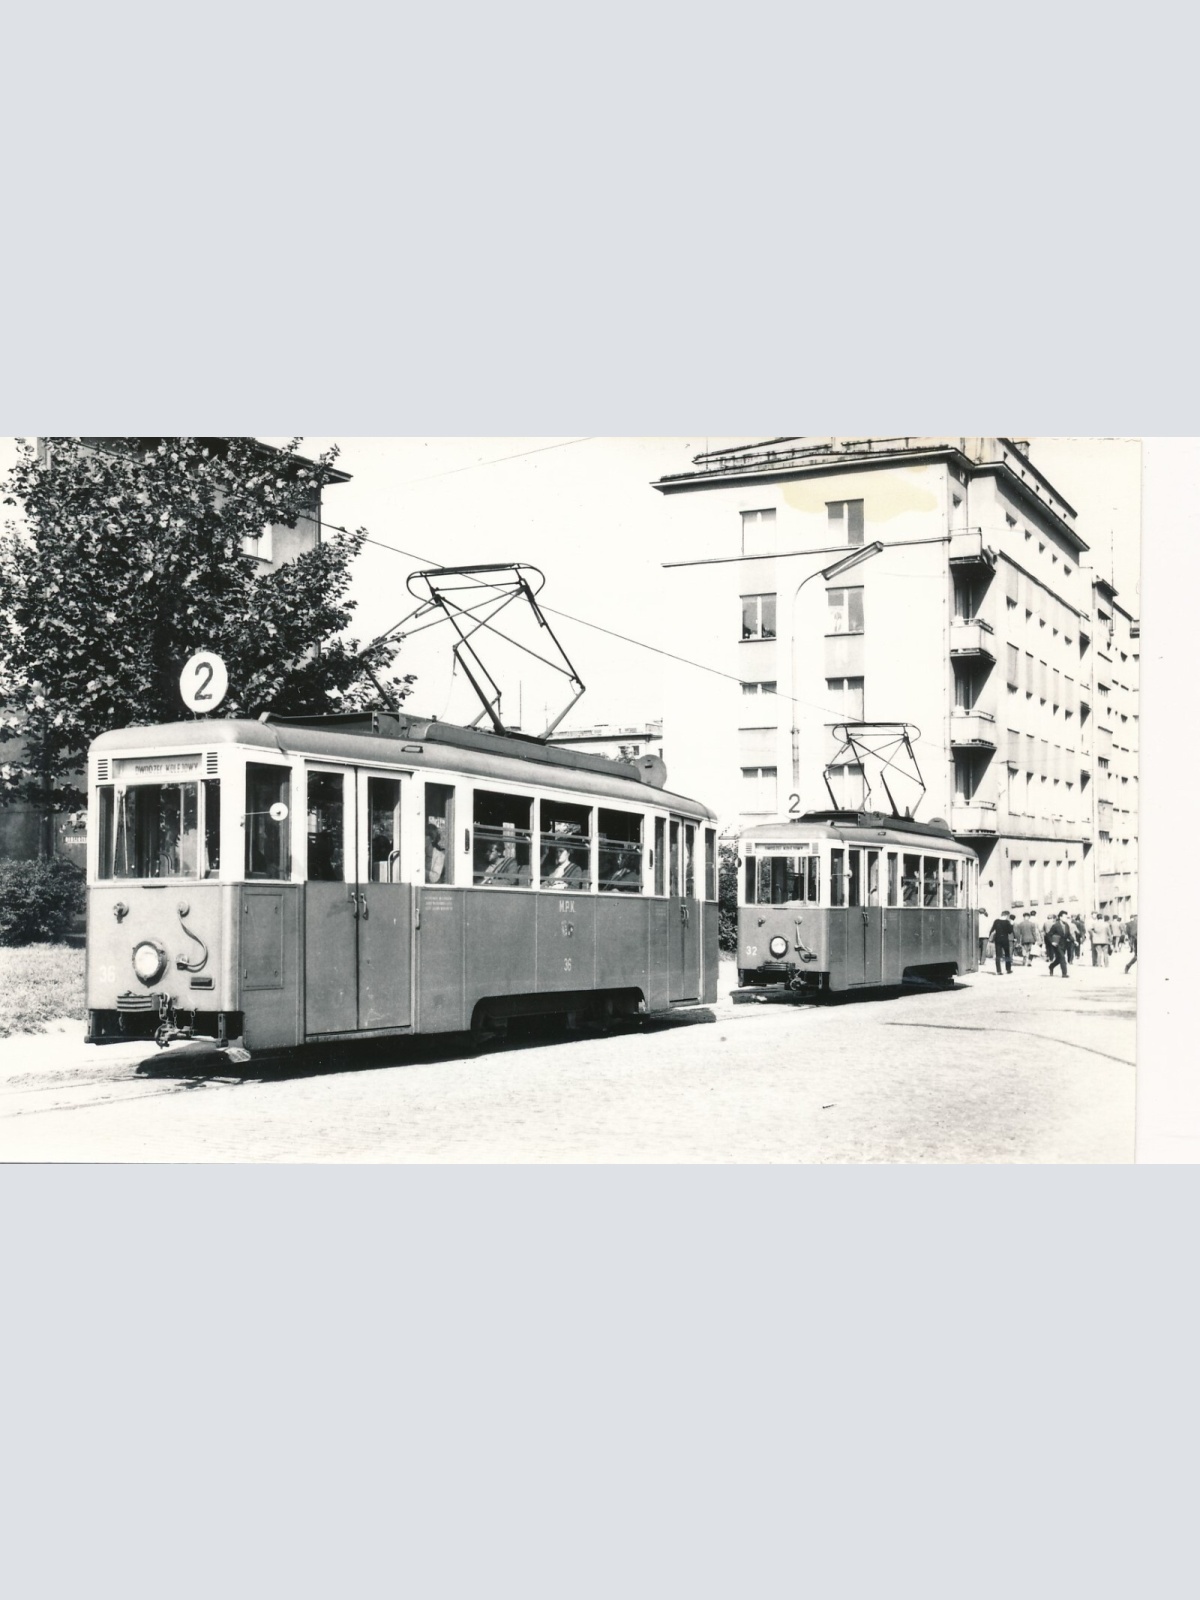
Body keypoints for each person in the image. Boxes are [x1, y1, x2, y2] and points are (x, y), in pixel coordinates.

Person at [1047, 912, 1071, 978]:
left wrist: (1074, 941)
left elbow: (1068, 934)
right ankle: (1064, 974)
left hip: (1064, 945)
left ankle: (1051, 966)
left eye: (1066, 917)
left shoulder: (1066, 925)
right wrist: (1052, 942)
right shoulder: (1055, 925)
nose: (1066, 918)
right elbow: (1049, 935)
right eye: (1064, 917)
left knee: (1059, 959)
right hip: (1057, 945)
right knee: (1062, 958)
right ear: (1060, 917)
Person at [424, 820, 446, 885]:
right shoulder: (419, 853)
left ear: (432, 839)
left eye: (424, 836)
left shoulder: (440, 856)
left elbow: (434, 878)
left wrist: (419, 871)